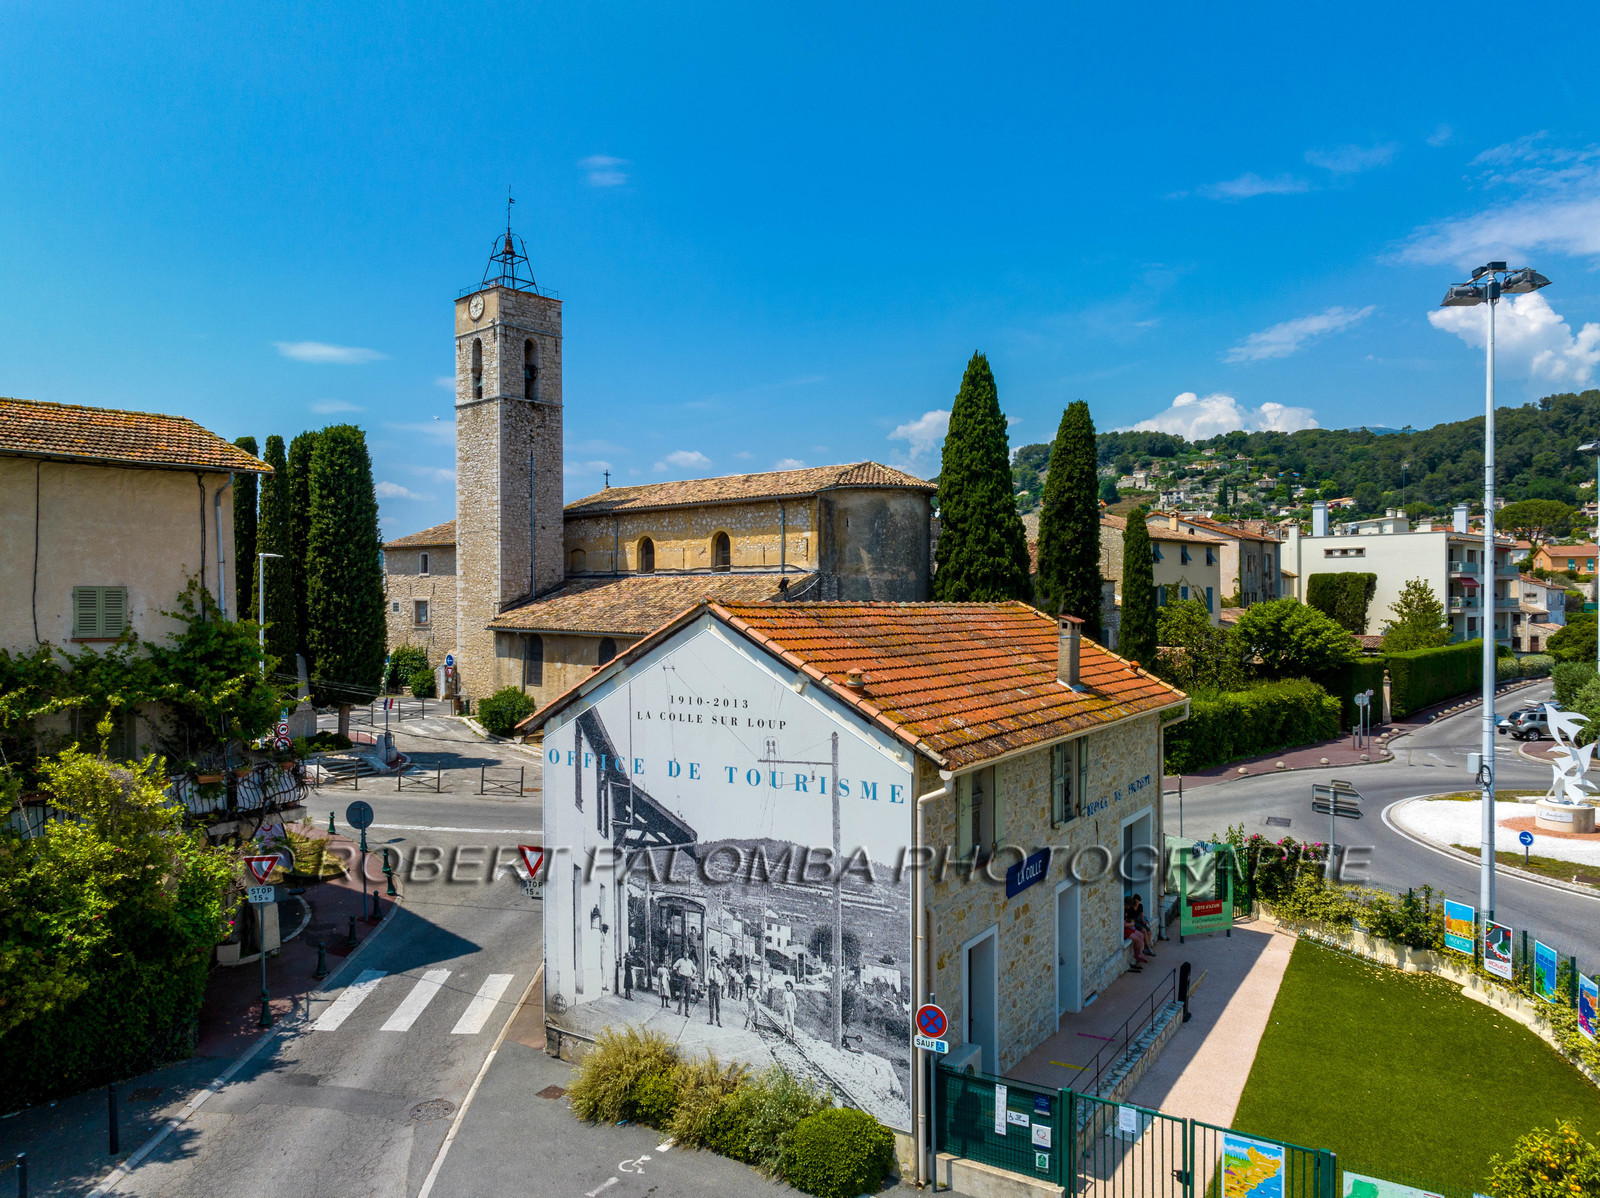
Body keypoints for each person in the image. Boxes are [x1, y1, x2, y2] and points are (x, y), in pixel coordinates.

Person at [1123, 897, 1151, 969]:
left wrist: (1130, 922)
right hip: (1125, 931)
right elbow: (1124, 925)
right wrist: (1132, 924)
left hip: (1129, 928)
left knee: (1141, 935)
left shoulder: (1126, 910)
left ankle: (1140, 953)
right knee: (1138, 939)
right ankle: (1136, 955)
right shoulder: (1123, 911)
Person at [673, 951, 698, 1017]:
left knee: (688, 996)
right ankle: (679, 1010)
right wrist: (677, 973)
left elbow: (695, 969)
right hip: (682, 979)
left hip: (689, 979)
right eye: (684, 953)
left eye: (686, 953)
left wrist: (693, 975)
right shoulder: (680, 961)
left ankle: (687, 1012)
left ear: (688, 954)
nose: (685, 954)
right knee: (681, 995)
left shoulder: (690, 962)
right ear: (683, 954)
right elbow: (674, 966)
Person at [705, 955, 724, 1026]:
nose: (713, 963)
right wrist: (708, 983)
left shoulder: (718, 971)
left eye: (714, 962)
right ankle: (711, 1019)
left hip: (717, 988)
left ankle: (718, 1020)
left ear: (716, 963)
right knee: (711, 1003)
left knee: (717, 1004)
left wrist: (719, 983)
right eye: (712, 962)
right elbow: (706, 978)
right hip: (711, 986)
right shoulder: (709, 970)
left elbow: (722, 980)